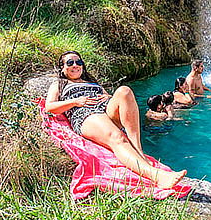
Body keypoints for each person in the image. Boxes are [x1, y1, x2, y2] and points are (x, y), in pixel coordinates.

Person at [45, 51, 186, 189]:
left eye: (78, 62)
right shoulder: (59, 84)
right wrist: (75, 102)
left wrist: (107, 98)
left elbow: (109, 97)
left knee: (124, 90)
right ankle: (158, 177)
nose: (75, 65)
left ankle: (138, 151)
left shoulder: (91, 81)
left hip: (105, 108)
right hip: (85, 113)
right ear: (62, 68)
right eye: (70, 63)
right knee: (117, 137)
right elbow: (49, 106)